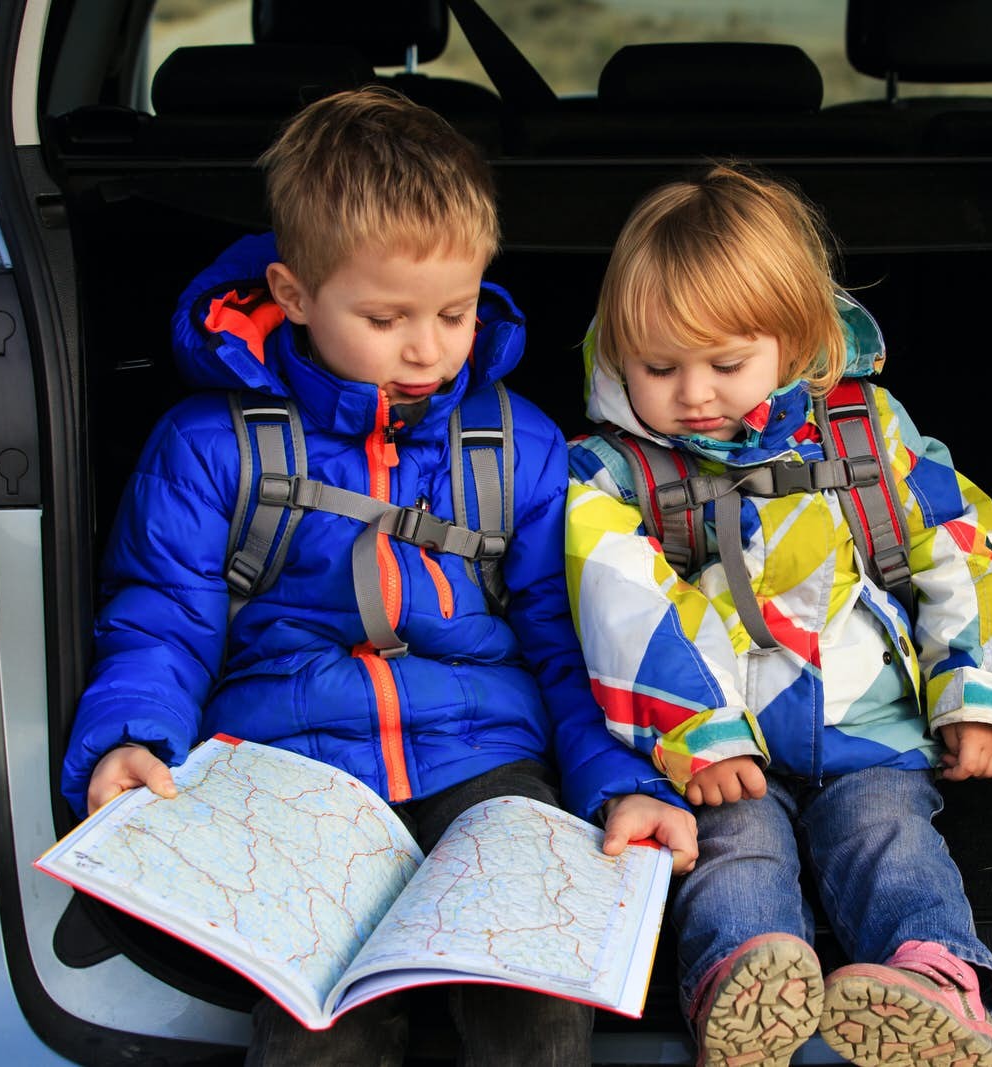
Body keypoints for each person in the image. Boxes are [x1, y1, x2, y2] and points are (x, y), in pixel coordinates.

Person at [58, 86, 697, 1067]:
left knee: (534, 1001)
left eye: (455, 311)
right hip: (287, 772)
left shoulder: (517, 443)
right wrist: (132, 738)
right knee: (316, 1017)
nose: (427, 347)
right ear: (293, 293)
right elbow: (161, 617)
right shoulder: (209, 444)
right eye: (385, 316)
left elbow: (568, 642)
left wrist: (618, 779)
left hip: (485, 760)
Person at [563, 163, 992, 1067]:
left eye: (726, 364)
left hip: (870, 724)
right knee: (732, 854)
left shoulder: (863, 431)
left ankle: (938, 983)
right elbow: (622, 606)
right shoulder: (615, 473)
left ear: (796, 340)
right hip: (723, 752)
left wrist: (975, 687)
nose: (693, 393)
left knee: (891, 840)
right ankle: (746, 987)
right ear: (618, 349)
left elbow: (960, 544)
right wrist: (702, 733)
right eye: (659, 367)